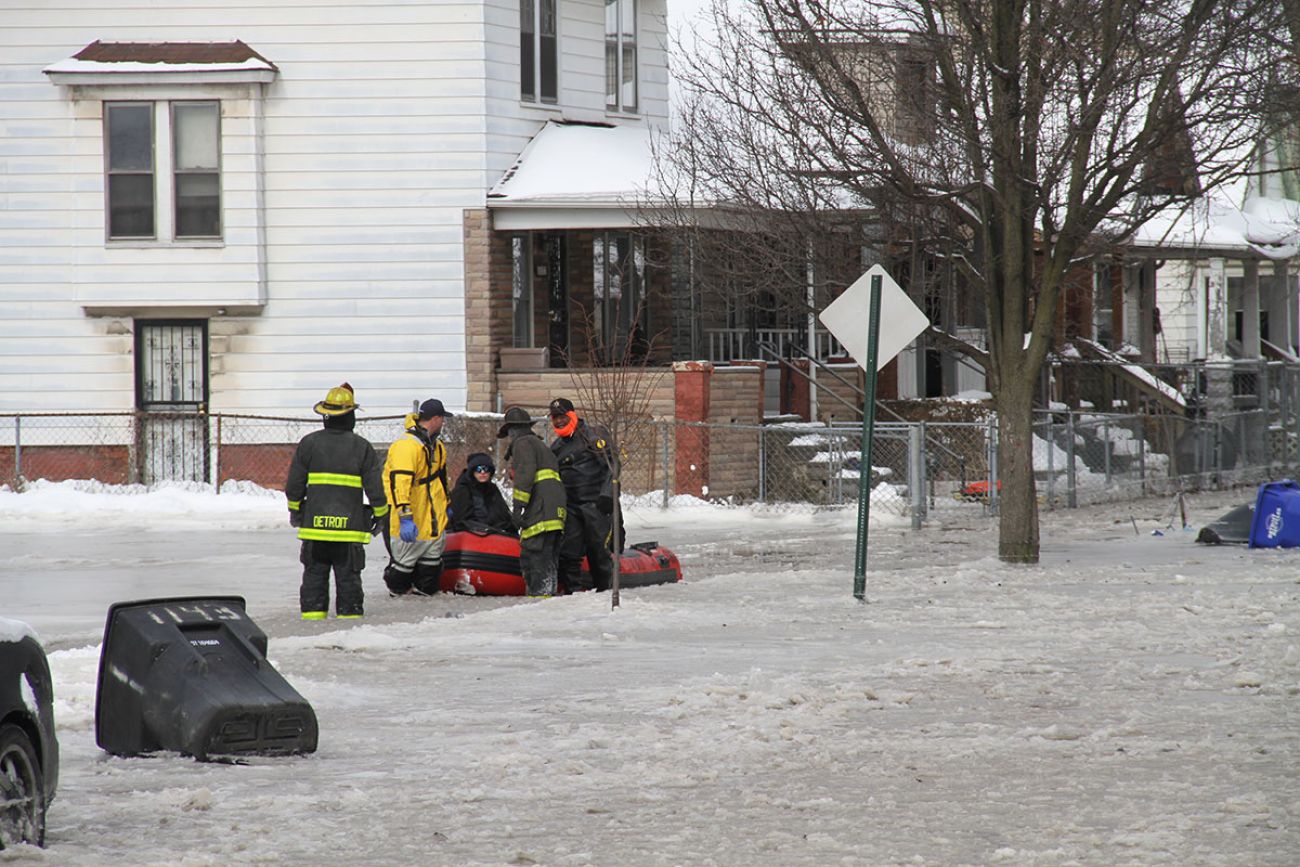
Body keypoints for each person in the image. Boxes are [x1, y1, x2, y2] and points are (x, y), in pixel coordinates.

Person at [285, 383, 388, 620]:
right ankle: (348, 627)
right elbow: (375, 489)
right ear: (350, 415)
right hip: (349, 533)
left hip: (315, 531)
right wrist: (380, 515)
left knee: (313, 578)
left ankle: (312, 626)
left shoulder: (309, 444)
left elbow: (294, 486)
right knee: (349, 581)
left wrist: (296, 512)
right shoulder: (362, 447)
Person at [382, 398, 453, 596]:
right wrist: (405, 516)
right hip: (411, 515)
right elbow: (400, 484)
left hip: (432, 518)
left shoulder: (436, 446)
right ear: (436, 419)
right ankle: (398, 594)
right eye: (442, 419)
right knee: (401, 573)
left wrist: (446, 503)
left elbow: (441, 478)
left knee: (430, 572)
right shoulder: (407, 446)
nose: (443, 424)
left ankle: (424, 600)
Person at [548, 397, 619, 592]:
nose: (559, 421)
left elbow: (612, 465)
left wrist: (608, 494)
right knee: (569, 552)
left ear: (572, 414)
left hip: (595, 504)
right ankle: (573, 593)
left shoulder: (593, 436)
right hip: (571, 507)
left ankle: (605, 592)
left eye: (562, 416)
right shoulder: (556, 447)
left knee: (598, 551)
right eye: (555, 418)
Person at [497, 406, 566, 597]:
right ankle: (546, 596)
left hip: (541, 507)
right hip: (553, 507)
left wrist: (518, 507)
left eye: (510, 432)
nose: (510, 436)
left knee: (535, 553)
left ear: (513, 430)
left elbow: (526, 475)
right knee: (548, 556)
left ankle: (539, 598)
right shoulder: (539, 445)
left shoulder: (523, 444)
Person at [448, 452, 515, 534]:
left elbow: (503, 514)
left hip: (493, 534)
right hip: (469, 535)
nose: (482, 472)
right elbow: (460, 520)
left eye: (486, 469)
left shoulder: (493, 489)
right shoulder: (462, 490)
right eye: (478, 469)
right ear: (472, 472)